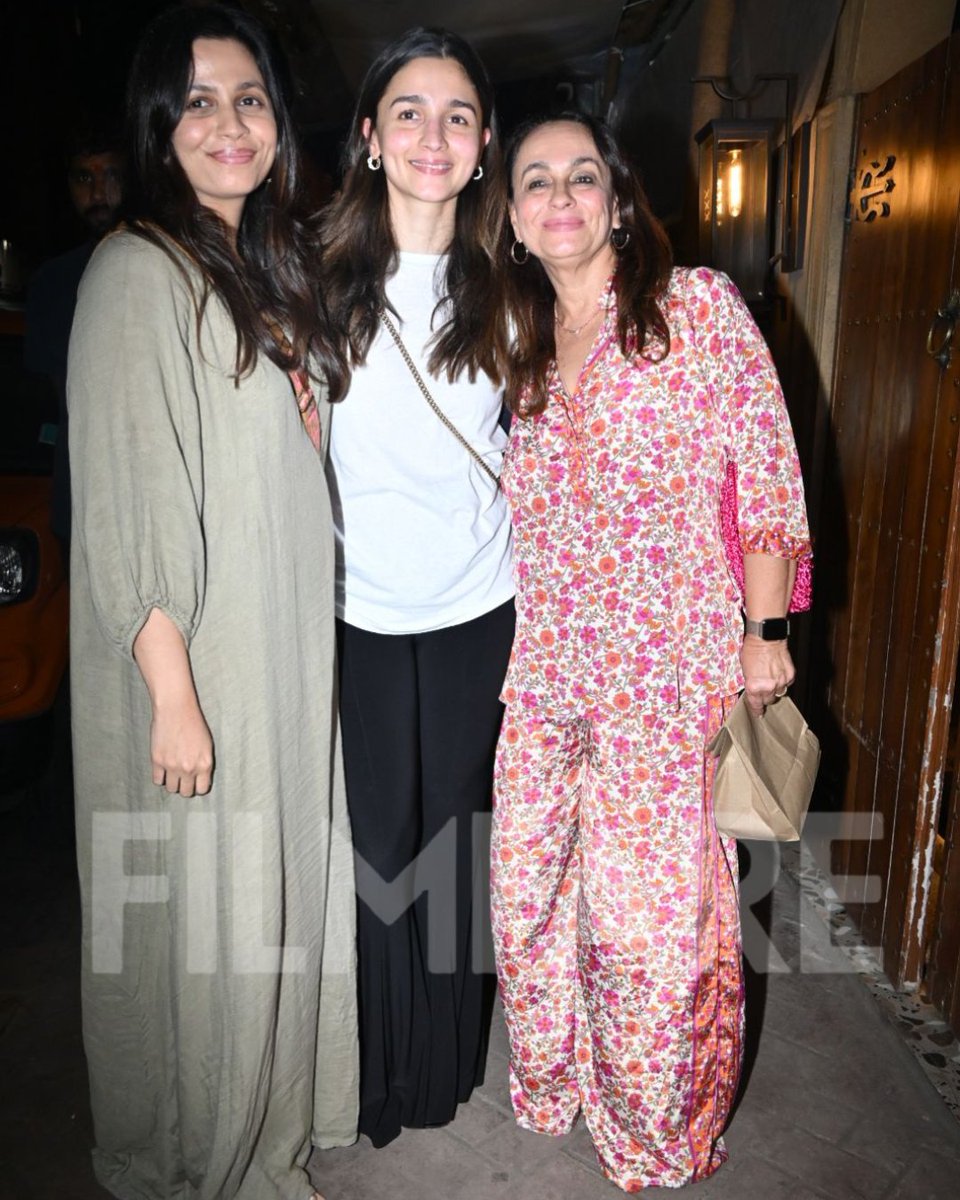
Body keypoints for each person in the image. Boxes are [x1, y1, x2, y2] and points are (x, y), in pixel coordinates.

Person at [490, 111, 812, 1191]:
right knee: (529, 902)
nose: (562, 197)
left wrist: (764, 635)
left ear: (618, 198)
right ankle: (558, 1084)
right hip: (544, 681)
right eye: (537, 182)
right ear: (514, 218)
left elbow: (765, 465)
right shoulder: (517, 342)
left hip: (664, 684)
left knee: (645, 935)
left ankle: (652, 1130)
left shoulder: (696, 311)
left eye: (583, 176)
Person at [67, 6, 357, 1198]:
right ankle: (205, 1155)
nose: (228, 124)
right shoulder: (138, 269)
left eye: (248, 99)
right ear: (157, 127)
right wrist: (173, 694)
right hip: (203, 664)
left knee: (271, 899)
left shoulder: (259, 265)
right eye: (197, 101)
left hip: (280, 650)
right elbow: (132, 499)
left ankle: (266, 1132)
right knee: (208, 925)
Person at [319, 27, 514, 1148]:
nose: (432, 135)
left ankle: (441, 1065)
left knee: (457, 840)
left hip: (477, 613)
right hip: (354, 612)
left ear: (484, 143)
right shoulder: (312, 278)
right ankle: (375, 1071)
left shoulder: (513, 288)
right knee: (376, 845)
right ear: (370, 137)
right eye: (408, 111)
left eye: (455, 115)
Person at [25, 122, 125, 550]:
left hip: (156, 506)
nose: (98, 192)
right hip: (79, 506)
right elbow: (54, 394)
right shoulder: (53, 282)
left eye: (111, 175)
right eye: (85, 177)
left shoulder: (169, 267)